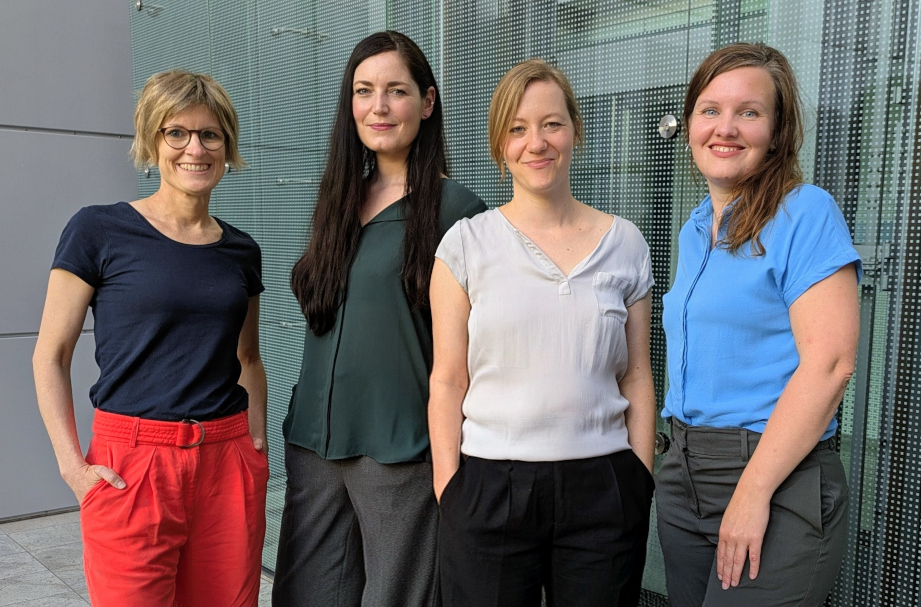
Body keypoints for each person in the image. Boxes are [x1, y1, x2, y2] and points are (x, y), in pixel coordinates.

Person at [32, 70, 268, 607]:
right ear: (151, 140)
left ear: (226, 145)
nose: (195, 148)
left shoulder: (242, 250)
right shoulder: (98, 230)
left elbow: (248, 358)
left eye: (210, 134)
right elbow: (51, 355)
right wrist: (73, 467)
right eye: (176, 133)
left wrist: (255, 447)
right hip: (131, 464)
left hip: (226, 464)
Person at [429, 59, 656, 607]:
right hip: (489, 485)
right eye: (518, 128)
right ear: (499, 145)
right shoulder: (464, 245)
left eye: (551, 123)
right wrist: (450, 489)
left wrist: (639, 478)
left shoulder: (625, 243)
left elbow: (638, 375)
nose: (537, 142)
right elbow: (447, 380)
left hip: (603, 486)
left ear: (575, 130)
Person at [273, 31, 486, 607]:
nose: (379, 106)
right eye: (364, 91)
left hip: (401, 450)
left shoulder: (459, 212)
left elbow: (474, 351)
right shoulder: (338, 199)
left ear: (428, 102)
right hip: (314, 444)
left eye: (396, 90)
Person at [656, 43, 861, 606]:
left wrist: (753, 490)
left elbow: (831, 362)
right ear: (691, 122)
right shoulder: (695, 228)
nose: (726, 127)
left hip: (772, 473)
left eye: (749, 112)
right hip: (684, 475)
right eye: (710, 109)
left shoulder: (805, 212)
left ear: (777, 130)